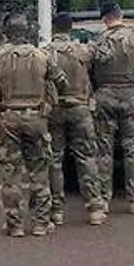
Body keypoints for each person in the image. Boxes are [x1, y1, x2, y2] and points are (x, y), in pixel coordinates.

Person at [0, 13, 68, 237]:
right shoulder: (42, 56)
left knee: (11, 173)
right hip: (37, 118)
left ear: (7, 32)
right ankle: (40, 223)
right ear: (27, 31)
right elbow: (61, 82)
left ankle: (14, 224)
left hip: (8, 118)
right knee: (39, 171)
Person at [90, 2, 134, 215]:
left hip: (103, 96)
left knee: (103, 150)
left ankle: (103, 200)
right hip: (130, 96)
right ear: (121, 15)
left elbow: (89, 69)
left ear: (104, 19)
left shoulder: (97, 42)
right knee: (132, 148)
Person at [45, 12, 107, 226]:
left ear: (54, 28)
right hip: (80, 108)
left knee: (54, 159)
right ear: (70, 28)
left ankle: (56, 210)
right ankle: (95, 207)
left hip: (54, 110)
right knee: (87, 157)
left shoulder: (44, 52)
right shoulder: (83, 51)